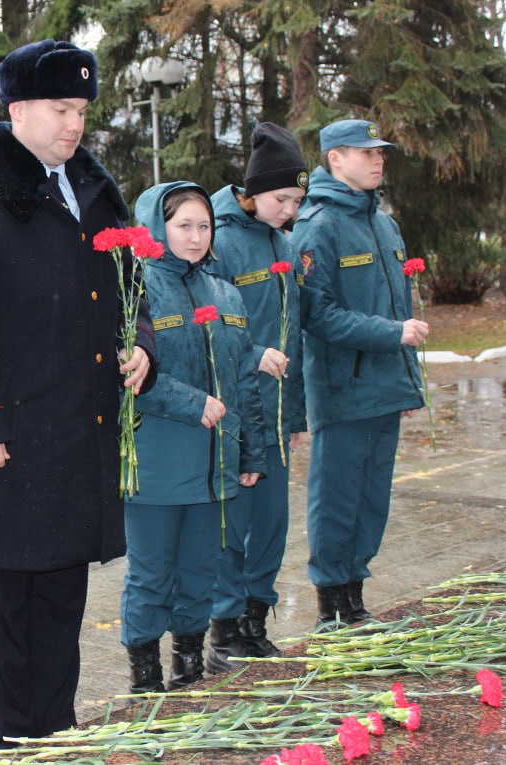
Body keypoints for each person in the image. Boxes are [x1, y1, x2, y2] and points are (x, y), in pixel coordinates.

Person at [0, 39, 158, 749]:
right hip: (9, 446)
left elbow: (133, 285)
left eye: (82, 109)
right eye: (60, 109)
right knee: (12, 624)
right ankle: (18, 746)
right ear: (17, 108)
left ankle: (58, 738)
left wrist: (143, 344)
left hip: (76, 438)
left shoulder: (91, 185)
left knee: (61, 611)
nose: (74, 124)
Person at [121, 182, 266, 692]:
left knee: (200, 572)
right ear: (157, 227)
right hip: (158, 462)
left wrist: (252, 447)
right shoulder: (133, 289)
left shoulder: (226, 292)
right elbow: (130, 376)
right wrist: (193, 404)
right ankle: (145, 676)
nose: (196, 235)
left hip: (216, 467)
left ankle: (188, 669)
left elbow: (244, 380)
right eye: (184, 225)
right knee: (152, 576)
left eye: (203, 226)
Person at [293, 119, 427, 628]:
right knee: (338, 498)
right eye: (364, 152)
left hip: (385, 386)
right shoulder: (318, 224)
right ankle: (331, 603)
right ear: (334, 159)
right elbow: (316, 314)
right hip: (342, 387)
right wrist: (392, 335)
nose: (377, 160)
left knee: (373, 497)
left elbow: (401, 305)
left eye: (381, 153)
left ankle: (356, 595)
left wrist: (408, 379)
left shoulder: (384, 224)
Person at [204, 123, 308, 668]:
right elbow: (208, 327)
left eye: (296, 200)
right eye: (281, 198)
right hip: (236, 409)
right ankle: (223, 627)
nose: (289, 210)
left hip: (275, 411)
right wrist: (251, 354)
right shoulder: (216, 240)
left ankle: (254, 616)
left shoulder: (283, 241)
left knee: (272, 522)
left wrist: (297, 410)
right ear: (252, 190)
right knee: (234, 523)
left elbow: (295, 332)